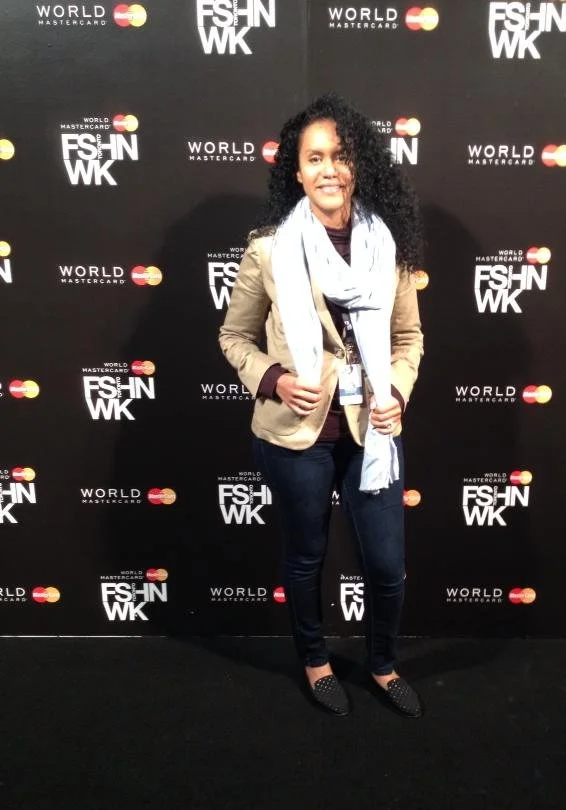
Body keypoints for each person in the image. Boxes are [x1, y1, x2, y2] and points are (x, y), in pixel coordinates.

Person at [218, 93, 424, 718]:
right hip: (294, 434)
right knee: (305, 557)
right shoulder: (268, 250)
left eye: (340, 157)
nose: (329, 169)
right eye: (314, 158)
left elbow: (409, 339)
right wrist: (276, 378)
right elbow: (234, 337)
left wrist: (398, 393)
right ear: (296, 171)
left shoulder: (389, 248)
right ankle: (315, 661)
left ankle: (383, 665)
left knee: (387, 566)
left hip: (372, 432)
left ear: (359, 167)